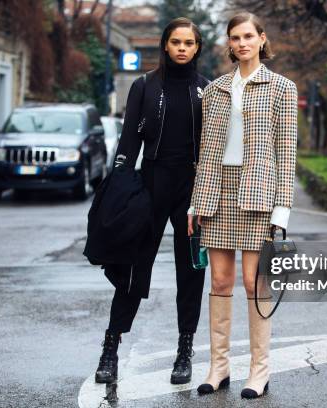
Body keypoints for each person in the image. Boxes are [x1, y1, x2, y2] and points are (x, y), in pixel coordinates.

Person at [187, 12, 297, 399]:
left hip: (259, 194)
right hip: (217, 192)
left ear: (262, 39)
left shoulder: (282, 88)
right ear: (229, 44)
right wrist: (194, 205)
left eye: (248, 36)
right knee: (219, 281)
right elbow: (205, 153)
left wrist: (281, 210)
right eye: (235, 37)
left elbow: (286, 153)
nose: (241, 43)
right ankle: (219, 367)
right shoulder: (215, 89)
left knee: (254, 283)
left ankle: (259, 370)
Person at [95, 17, 210, 385]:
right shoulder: (144, 86)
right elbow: (128, 142)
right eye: (176, 41)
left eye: (189, 43)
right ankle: (110, 348)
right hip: (152, 184)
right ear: (165, 45)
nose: (182, 48)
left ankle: (184, 351)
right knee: (132, 266)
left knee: (191, 272)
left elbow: (212, 148)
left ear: (197, 48)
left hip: (191, 190)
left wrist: (208, 197)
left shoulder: (207, 90)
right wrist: (119, 186)